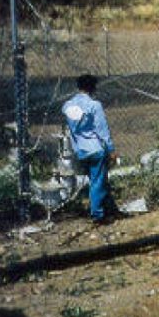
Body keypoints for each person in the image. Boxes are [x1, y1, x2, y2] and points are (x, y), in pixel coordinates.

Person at [62, 74, 117, 224]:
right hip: (96, 149)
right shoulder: (94, 105)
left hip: (80, 150)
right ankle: (97, 214)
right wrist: (111, 149)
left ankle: (111, 208)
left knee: (98, 180)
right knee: (98, 182)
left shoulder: (67, 106)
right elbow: (102, 130)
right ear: (93, 88)